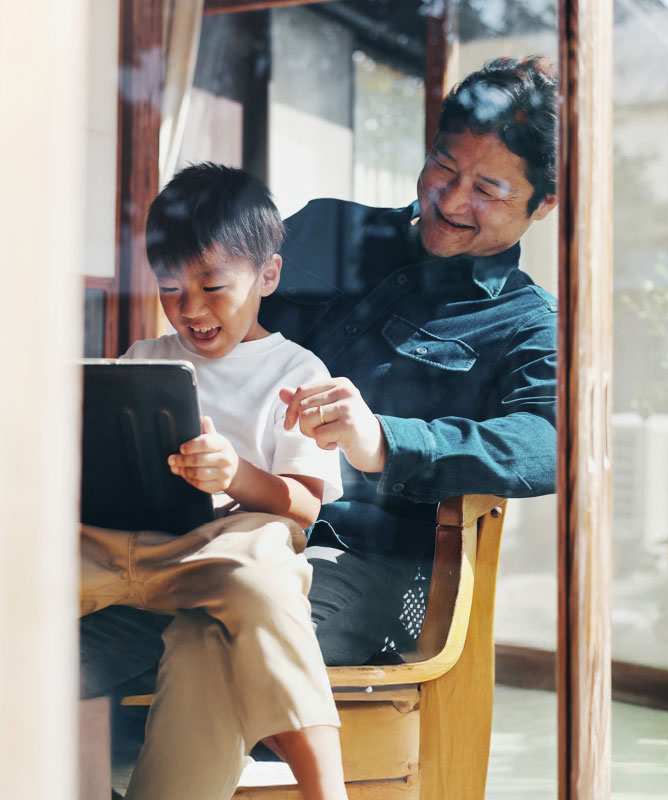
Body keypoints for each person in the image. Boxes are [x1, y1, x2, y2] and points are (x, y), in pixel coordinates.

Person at [260, 54, 559, 664]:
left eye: (488, 190)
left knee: (240, 644)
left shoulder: (529, 324)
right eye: (443, 166)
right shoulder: (325, 227)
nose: (451, 200)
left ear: (545, 203)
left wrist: (385, 441)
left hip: (356, 559)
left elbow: (551, 442)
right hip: (220, 507)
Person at [80, 164, 349, 800]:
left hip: (227, 550)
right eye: (170, 288)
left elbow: (304, 507)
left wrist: (236, 475)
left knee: (262, 565)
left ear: (268, 276)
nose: (191, 309)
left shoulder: (297, 372)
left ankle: (326, 788)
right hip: (128, 546)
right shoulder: (142, 359)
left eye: (213, 286)